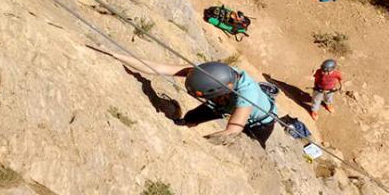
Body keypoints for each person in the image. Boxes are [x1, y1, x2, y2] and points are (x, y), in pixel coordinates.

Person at [100, 51, 278, 148]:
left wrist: (200, 145)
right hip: (225, 104)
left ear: (218, 93)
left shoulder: (246, 96)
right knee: (191, 117)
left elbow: (233, 130)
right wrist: (117, 55)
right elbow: (160, 68)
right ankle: (185, 124)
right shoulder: (211, 73)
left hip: (261, 123)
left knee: (254, 146)